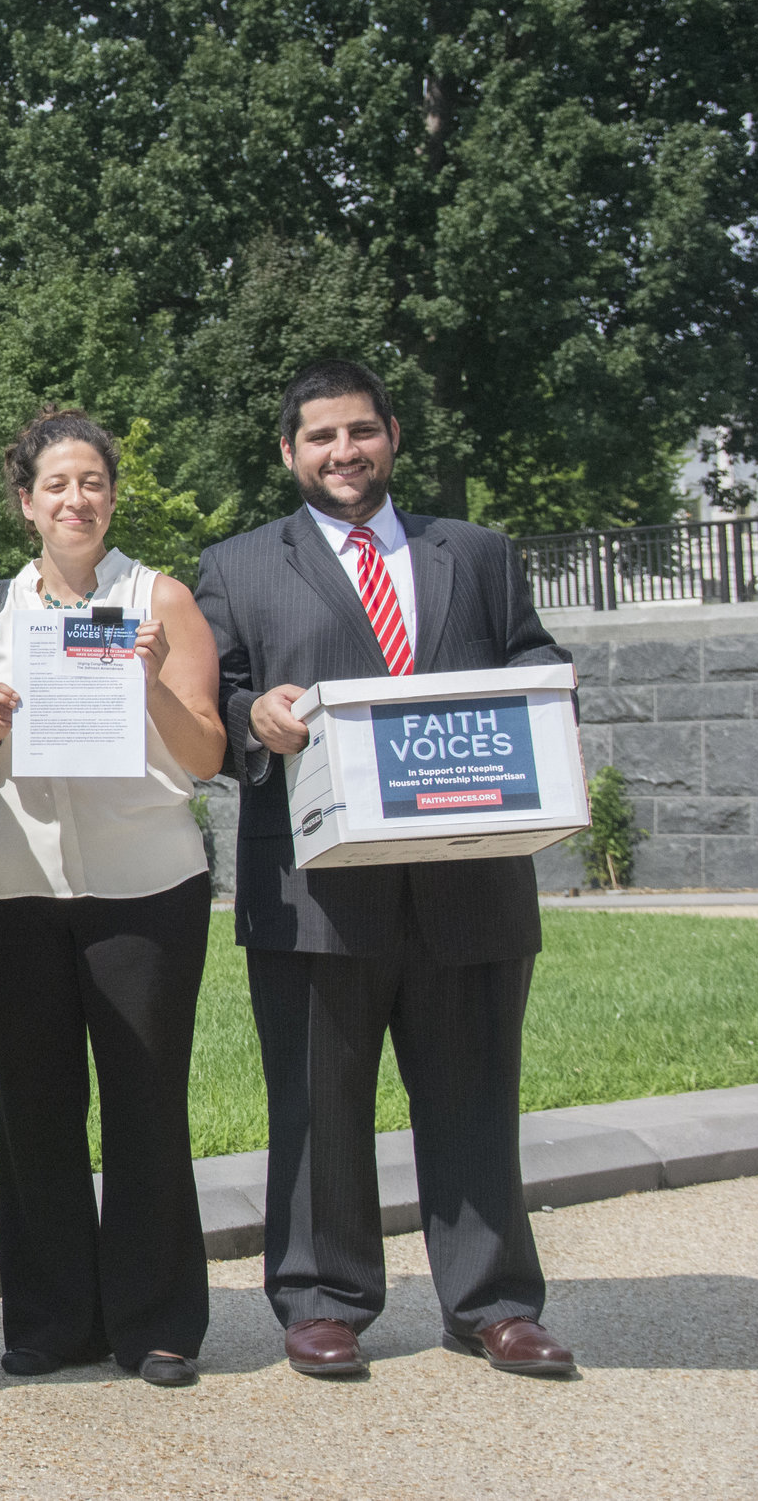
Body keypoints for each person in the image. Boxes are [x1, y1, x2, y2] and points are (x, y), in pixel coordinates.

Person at [193, 359, 578, 1379]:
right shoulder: (236, 567)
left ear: (392, 435)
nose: (342, 451)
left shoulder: (478, 554)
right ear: (288, 452)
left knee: (475, 1096)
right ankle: (323, 1298)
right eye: (318, 436)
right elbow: (212, 705)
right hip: (316, 891)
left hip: (469, 879)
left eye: (358, 431)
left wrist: (547, 688)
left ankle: (492, 1301)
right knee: (316, 1104)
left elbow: (533, 657)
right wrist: (253, 719)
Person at [0, 409, 227, 1388]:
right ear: (25, 501)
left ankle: (156, 1322)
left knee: (145, 1102)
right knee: (34, 1105)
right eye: (55, 484)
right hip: (9, 881)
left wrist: (143, 681)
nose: (76, 498)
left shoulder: (163, 600)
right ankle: (52, 1318)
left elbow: (204, 753)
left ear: (112, 494)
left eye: (91, 481)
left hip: (143, 882)